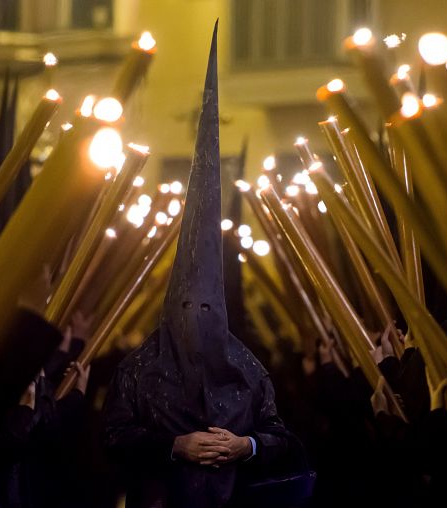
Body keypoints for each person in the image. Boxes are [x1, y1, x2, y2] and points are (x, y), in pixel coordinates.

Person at [101, 22, 300, 508]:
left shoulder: (247, 369)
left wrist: (245, 446)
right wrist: (174, 446)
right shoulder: (138, 369)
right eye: (188, 307)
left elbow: (283, 440)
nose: (197, 317)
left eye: (208, 308)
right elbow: (112, 438)